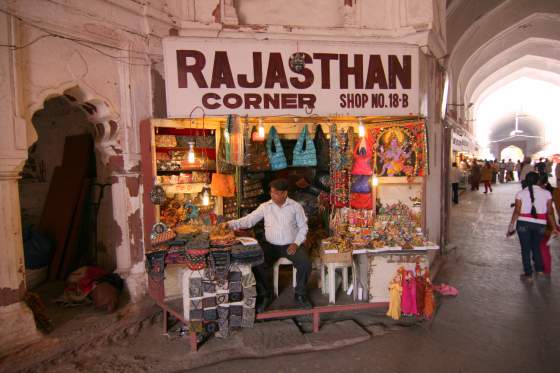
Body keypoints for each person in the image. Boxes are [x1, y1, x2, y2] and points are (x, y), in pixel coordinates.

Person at [224, 178, 312, 311]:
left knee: (305, 263)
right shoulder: (265, 207)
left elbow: (303, 227)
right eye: (271, 192)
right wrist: (230, 224)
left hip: (291, 245)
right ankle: (266, 295)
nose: (273, 195)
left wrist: (296, 243)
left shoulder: (295, 206)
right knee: (257, 263)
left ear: (284, 193)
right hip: (272, 245)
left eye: (276, 193)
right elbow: (249, 221)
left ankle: (300, 294)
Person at [507, 172, 559, 280]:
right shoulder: (547, 193)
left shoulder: (520, 193)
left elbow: (516, 212)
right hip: (540, 225)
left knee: (525, 249)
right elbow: (549, 212)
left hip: (523, 224)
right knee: (536, 247)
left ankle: (528, 274)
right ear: (538, 181)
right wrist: (554, 227)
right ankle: (539, 270)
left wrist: (511, 227)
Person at [537, 173, 559, 274]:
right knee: (544, 246)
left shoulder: (537, 192)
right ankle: (544, 267)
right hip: (548, 222)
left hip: (541, 221)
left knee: (541, 245)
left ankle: (544, 267)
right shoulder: (553, 191)